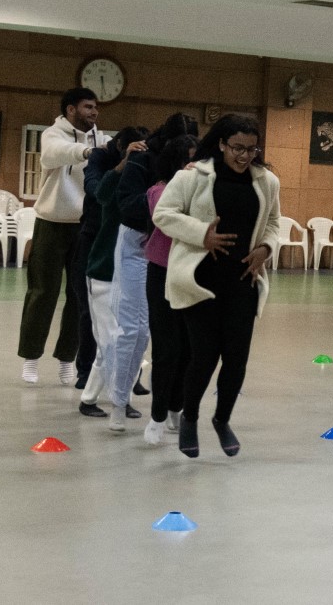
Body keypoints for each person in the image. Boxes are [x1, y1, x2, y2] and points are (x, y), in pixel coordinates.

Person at [153, 115, 281, 458]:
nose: (244, 156)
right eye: (237, 147)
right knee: (204, 357)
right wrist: (201, 234)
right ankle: (189, 417)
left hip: (242, 281)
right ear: (221, 144)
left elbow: (273, 222)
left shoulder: (267, 181)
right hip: (201, 281)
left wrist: (266, 248)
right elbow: (163, 214)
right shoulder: (192, 176)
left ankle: (222, 419)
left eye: (251, 149)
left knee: (236, 360)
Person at [17, 87, 106, 384]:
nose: (94, 112)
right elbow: (55, 154)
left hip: (84, 226)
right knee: (42, 292)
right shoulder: (52, 134)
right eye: (88, 107)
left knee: (79, 297)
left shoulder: (101, 138)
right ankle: (31, 359)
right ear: (71, 109)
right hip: (51, 223)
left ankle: (67, 360)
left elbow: (114, 152)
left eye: (95, 107)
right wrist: (87, 152)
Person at [77, 126, 149, 430]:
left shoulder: (147, 185)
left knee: (131, 341)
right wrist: (123, 164)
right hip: (103, 272)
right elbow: (101, 193)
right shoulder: (114, 179)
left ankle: (113, 398)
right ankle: (95, 399)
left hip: (132, 274)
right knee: (109, 343)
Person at [142, 134, 199, 445]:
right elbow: (167, 222)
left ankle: (177, 406)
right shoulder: (159, 191)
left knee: (189, 349)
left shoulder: (202, 191)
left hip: (191, 274)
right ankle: (157, 415)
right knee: (166, 349)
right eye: (188, 159)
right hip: (162, 274)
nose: (194, 165)